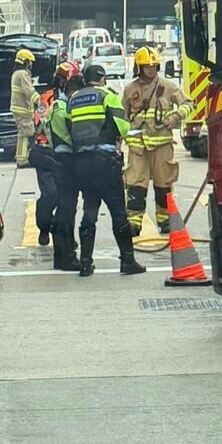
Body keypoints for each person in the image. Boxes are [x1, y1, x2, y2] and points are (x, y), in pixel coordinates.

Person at [50, 59, 145, 279]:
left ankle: (85, 263)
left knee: (89, 212)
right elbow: (123, 126)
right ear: (102, 79)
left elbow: (69, 128)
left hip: (82, 164)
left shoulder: (73, 100)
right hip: (105, 162)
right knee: (118, 213)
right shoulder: (107, 95)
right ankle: (128, 261)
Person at [121, 45, 192, 240]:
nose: (151, 69)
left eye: (153, 66)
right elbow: (122, 117)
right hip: (138, 147)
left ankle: (164, 220)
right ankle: (134, 223)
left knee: (164, 185)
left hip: (162, 146)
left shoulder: (168, 87)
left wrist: (176, 117)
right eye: (147, 66)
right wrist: (118, 141)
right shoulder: (129, 90)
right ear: (139, 67)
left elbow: (188, 103)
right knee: (136, 186)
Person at [28, 64, 72, 256]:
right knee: (51, 194)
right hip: (46, 152)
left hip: (68, 154)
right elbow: (40, 123)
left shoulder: (77, 98)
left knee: (67, 198)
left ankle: (65, 236)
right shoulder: (46, 98)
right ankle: (44, 226)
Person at [9, 47, 37, 167]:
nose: (31, 65)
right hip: (23, 109)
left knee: (23, 133)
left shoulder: (16, 73)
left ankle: (21, 157)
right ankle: (22, 160)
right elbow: (29, 91)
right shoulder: (23, 74)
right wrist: (40, 101)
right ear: (25, 61)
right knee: (27, 133)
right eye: (30, 62)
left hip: (18, 108)